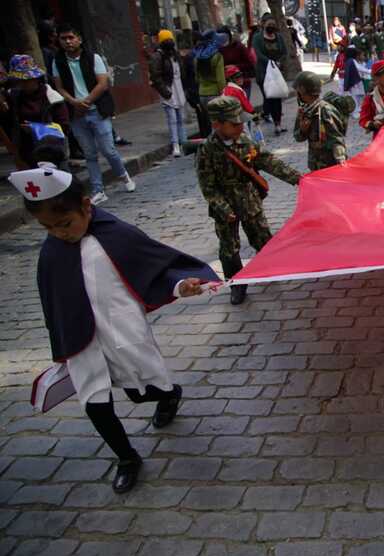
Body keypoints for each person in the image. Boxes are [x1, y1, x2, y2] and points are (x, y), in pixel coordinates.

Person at [11, 163, 218, 493]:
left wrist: (181, 284)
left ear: (86, 206)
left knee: (141, 390)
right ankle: (126, 457)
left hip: (123, 331)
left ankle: (169, 395)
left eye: (64, 224)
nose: (59, 233)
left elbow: (155, 265)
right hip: (81, 340)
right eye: (47, 228)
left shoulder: (116, 234)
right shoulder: (52, 251)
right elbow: (51, 300)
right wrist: (61, 345)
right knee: (95, 402)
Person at [195, 97, 300, 305]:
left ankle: (270, 269)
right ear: (217, 124)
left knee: (262, 237)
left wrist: (296, 178)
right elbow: (208, 187)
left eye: (241, 122)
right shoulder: (207, 151)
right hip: (225, 208)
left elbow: (268, 161)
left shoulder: (245, 141)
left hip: (249, 200)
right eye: (234, 123)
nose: (240, 126)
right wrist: (224, 209)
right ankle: (236, 284)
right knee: (229, 248)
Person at [51, 23, 135, 205]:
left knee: (108, 149)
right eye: (63, 38)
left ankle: (123, 175)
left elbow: (103, 83)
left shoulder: (92, 57)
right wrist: (74, 103)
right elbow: (59, 87)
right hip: (76, 114)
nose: (68, 42)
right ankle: (98, 190)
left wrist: (86, 101)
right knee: (89, 153)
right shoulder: (58, 61)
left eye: (71, 37)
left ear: (79, 39)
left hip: (97, 110)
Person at [1, 55, 70, 168]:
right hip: (27, 153)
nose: (23, 84)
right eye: (20, 81)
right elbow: (10, 122)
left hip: (52, 152)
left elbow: (64, 127)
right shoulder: (14, 96)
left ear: (36, 79)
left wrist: (36, 128)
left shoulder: (52, 98)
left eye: (27, 80)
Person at [293, 71, 349, 171]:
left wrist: (341, 161)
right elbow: (298, 138)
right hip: (315, 165)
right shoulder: (305, 110)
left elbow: (337, 139)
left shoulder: (325, 110)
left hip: (331, 165)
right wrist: (303, 129)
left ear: (302, 91)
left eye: (298, 91)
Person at [148, 30, 189, 158]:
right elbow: (156, 77)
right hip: (168, 90)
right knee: (172, 119)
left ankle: (184, 143)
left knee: (181, 118)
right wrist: (165, 92)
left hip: (179, 89)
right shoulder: (157, 57)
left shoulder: (175, 55)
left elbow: (181, 72)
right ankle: (175, 144)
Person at [253, 14, 288, 135]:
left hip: (276, 72)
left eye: (273, 25)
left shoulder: (279, 37)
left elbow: (284, 51)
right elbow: (258, 53)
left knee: (277, 98)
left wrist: (279, 62)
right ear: (263, 25)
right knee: (269, 97)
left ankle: (278, 124)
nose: (271, 27)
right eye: (269, 25)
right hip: (263, 73)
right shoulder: (257, 38)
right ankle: (266, 113)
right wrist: (270, 62)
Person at [195, 29, 228, 133]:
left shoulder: (198, 56)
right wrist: (225, 95)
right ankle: (218, 147)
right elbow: (220, 80)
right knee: (220, 124)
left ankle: (214, 145)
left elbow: (197, 78)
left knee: (212, 122)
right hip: (215, 94)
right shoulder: (217, 56)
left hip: (202, 94)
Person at [218, 25, 256, 103]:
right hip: (228, 85)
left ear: (228, 35)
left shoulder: (239, 46)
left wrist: (235, 67)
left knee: (243, 107)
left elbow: (250, 64)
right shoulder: (218, 49)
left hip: (242, 83)